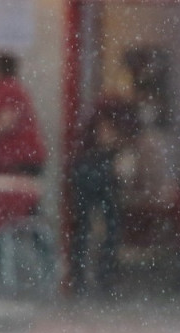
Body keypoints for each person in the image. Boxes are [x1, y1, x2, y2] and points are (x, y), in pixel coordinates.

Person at [66, 102, 134, 298]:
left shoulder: (93, 132)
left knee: (92, 227)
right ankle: (98, 274)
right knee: (96, 227)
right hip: (94, 175)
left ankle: (92, 274)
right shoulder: (103, 128)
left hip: (92, 173)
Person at [0, 52, 46, 176]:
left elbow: (6, 122)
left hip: (19, 159)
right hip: (19, 158)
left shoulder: (7, 88)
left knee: (0, 190)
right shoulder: (8, 88)